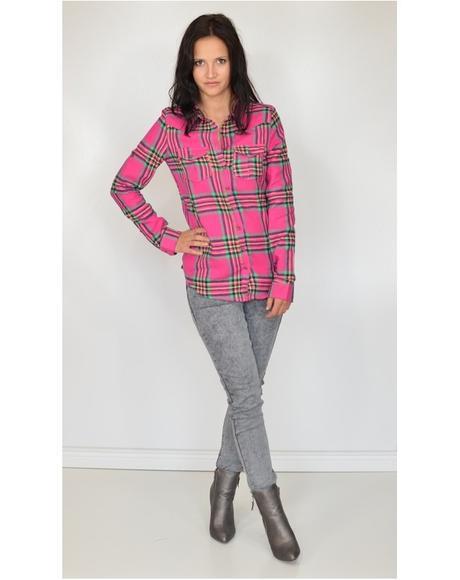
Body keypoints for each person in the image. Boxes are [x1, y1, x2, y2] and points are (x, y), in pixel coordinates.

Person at [110, 13, 299, 562]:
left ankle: (222, 488)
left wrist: (285, 275)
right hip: (210, 283)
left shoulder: (265, 121)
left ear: (234, 62)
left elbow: (282, 202)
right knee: (247, 396)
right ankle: (272, 509)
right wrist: (169, 237)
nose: (211, 71)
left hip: (265, 281)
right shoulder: (173, 126)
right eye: (200, 62)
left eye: (220, 59)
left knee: (246, 395)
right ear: (188, 68)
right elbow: (124, 185)